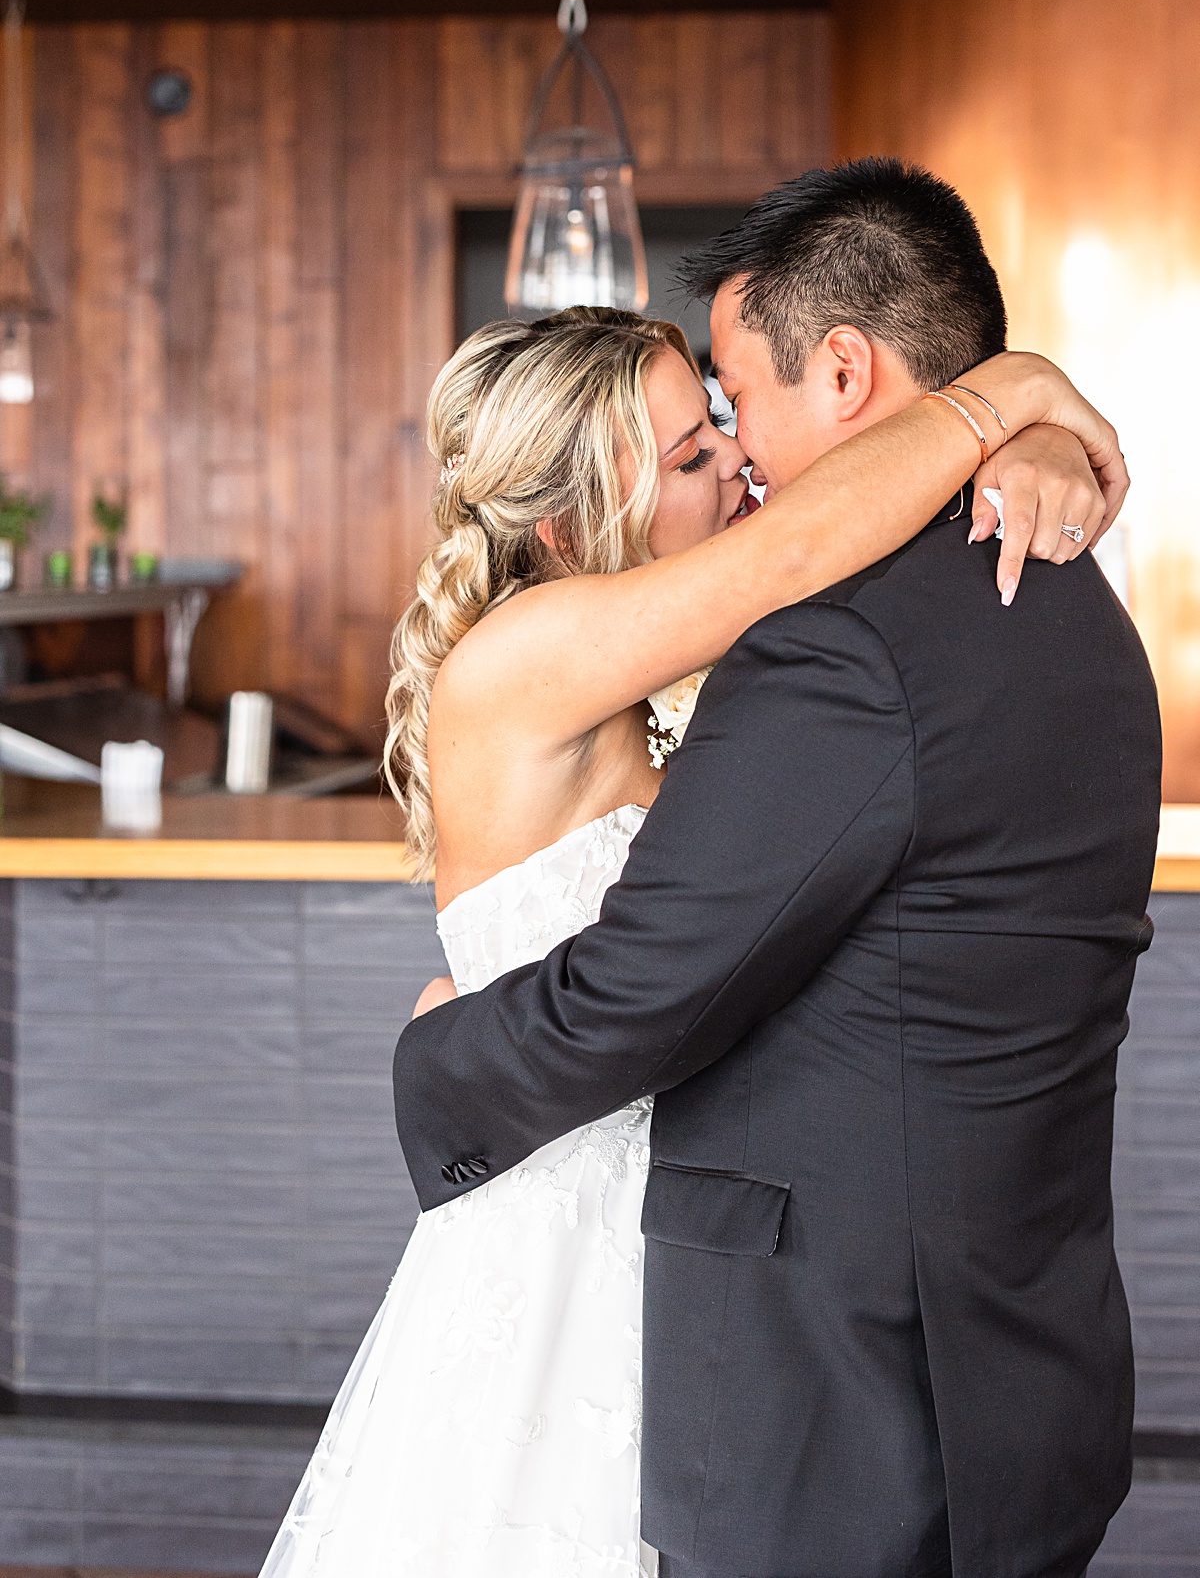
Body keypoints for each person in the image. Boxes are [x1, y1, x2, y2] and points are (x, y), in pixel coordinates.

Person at [391, 160, 1162, 1578]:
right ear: (572, 516)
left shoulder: (845, 635)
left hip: (841, 1382)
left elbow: (645, 986)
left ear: (852, 372)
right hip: (986, 1349)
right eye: (698, 448)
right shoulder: (1071, 607)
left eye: (733, 410)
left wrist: (438, 1058)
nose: (742, 459)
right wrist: (1021, 400)